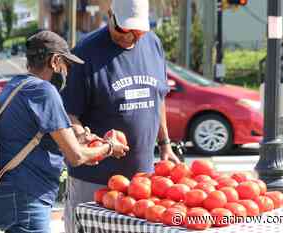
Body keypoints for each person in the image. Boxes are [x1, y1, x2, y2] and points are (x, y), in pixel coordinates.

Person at [0, 30, 129, 233]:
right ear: (55, 61)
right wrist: (109, 147)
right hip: (25, 200)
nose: (67, 72)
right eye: (66, 65)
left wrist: (81, 137)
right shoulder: (44, 91)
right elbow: (76, 156)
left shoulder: (17, 85)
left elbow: (44, 135)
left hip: (5, 196)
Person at [61, 1, 181, 232]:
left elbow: (159, 98)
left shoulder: (153, 45)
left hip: (142, 181)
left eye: (138, 31)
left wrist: (165, 144)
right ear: (110, 16)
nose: (131, 37)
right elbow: (68, 112)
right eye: (124, 30)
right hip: (94, 180)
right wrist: (84, 139)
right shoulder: (84, 53)